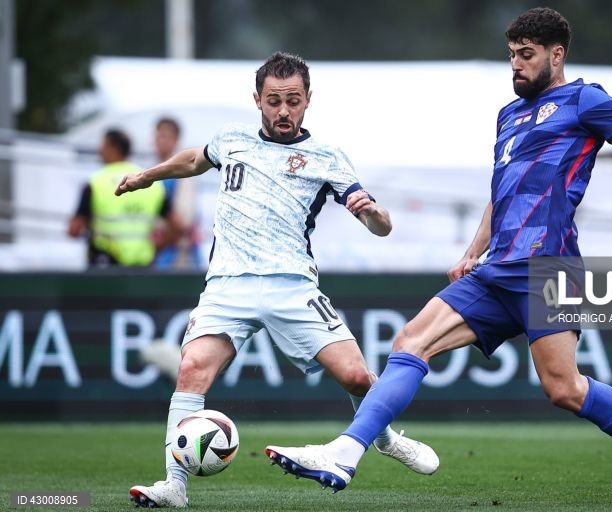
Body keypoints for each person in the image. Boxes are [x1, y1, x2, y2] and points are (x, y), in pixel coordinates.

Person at [264, 8, 612, 503]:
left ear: (556, 54)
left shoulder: (586, 100)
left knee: (564, 389)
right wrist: (472, 250)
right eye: (512, 56)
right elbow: (502, 191)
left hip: (550, 269)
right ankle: (345, 454)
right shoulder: (510, 114)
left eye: (526, 55)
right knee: (410, 342)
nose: (516, 65)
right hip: (495, 268)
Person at [116, 52, 439, 508]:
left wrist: (374, 214)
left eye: (292, 101)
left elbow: (380, 225)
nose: (283, 111)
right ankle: (174, 485)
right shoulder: (232, 140)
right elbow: (193, 159)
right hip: (227, 285)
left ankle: (382, 438)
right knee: (190, 370)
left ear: (308, 100)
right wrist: (147, 176)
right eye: (273, 101)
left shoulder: (326, 157)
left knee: (358, 378)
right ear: (258, 101)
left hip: (292, 286)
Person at [68, 128, 181, 267]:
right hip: (143, 268)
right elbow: (178, 227)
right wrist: (159, 246)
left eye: (103, 146)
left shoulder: (96, 182)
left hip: (104, 267)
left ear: (114, 149)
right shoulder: (150, 182)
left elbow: (74, 230)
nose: (100, 151)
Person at [152, 117, 203, 269]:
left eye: (166, 136)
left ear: (176, 140)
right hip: (162, 254)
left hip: (179, 255)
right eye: (158, 136)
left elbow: (183, 221)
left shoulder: (182, 172)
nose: (161, 141)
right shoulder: (154, 170)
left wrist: (160, 244)